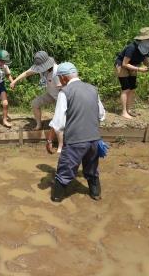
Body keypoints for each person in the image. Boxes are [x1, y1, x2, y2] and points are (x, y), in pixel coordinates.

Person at [46, 62, 106, 202]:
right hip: (95, 141)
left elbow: (58, 122)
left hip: (76, 142)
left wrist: (49, 140)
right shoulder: (92, 89)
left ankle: (56, 197)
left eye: (59, 78)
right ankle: (95, 194)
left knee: (65, 170)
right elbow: (102, 115)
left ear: (63, 78)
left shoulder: (65, 92)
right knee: (92, 170)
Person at [10, 50, 63, 152]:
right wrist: (14, 81)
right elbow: (27, 73)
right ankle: (39, 124)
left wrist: (60, 108)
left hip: (60, 97)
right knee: (35, 103)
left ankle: (60, 141)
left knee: (59, 119)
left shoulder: (57, 72)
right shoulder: (40, 68)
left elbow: (64, 90)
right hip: (50, 94)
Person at [115, 27, 149, 119]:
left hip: (134, 65)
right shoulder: (131, 48)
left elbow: (145, 61)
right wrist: (139, 69)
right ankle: (123, 112)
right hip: (121, 65)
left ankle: (129, 110)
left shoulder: (147, 48)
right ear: (142, 39)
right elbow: (124, 64)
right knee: (126, 88)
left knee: (132, 88)